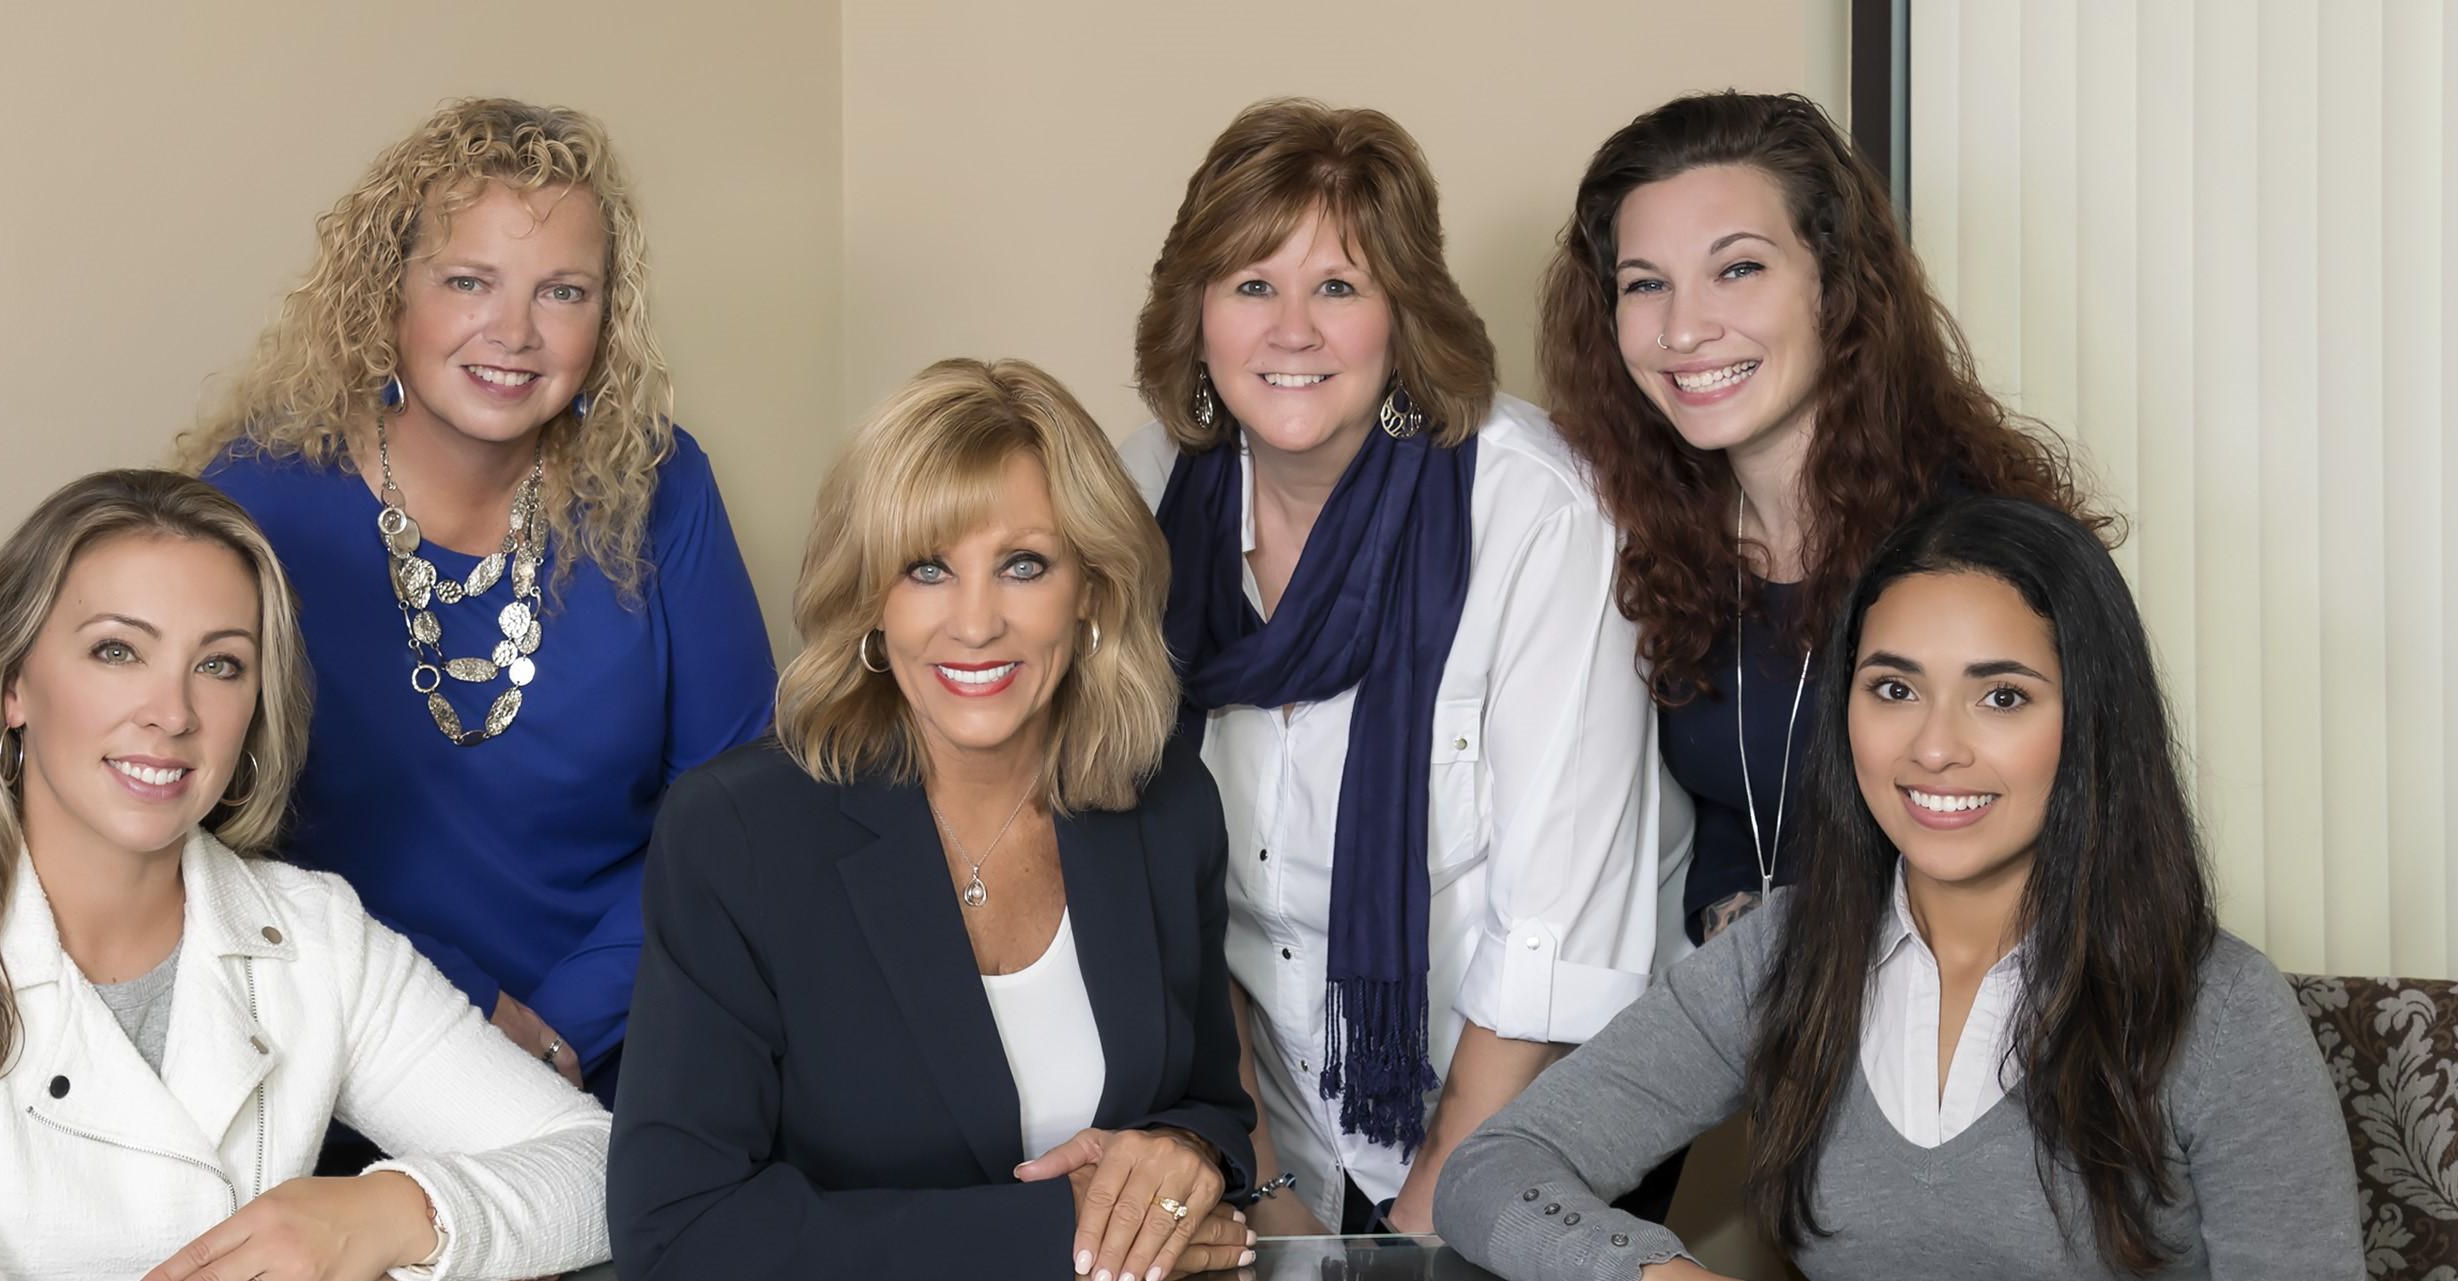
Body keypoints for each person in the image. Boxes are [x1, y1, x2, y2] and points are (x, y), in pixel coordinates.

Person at [1433, 496, 2361, 1281]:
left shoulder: (2224, 1011)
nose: (1934, 746)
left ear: (2088, 721)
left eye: (2001, 696)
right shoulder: (1785, 951)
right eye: (1892, 688)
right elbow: (1492, 1170)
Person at [0, 470, 612, 1279]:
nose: (172, 713)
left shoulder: (319, 935)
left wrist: (386, 1209)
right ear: (13, 685)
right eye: (118, 651)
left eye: (219, 664)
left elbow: (604, 1168)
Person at [1119, 98, 1687, 1236]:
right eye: (1250, 285)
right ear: (1196, 317)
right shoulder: (1146, 508)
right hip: (1266, 1096)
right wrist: (1273, 1200)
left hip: (1530, 1088)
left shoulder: (1534, 511)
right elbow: (1162, 882)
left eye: (1338, 287)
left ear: (1404, 315)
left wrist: (1417, 1236)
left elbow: (1553, 936)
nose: (1292, 331)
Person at [178, 98, 773, 1111]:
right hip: (345, 1054)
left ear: (606, 316)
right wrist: (465, 1013)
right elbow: (215, 836)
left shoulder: (664, 490)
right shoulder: (254, 506)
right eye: (468, 281)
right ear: (388, 296)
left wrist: (565, 1031)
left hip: (643, 1035)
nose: (515, 333)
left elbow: (742, 806)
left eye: (564, 292)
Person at [608, 359, 1257, 1281]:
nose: (977, 622)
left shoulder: (1167, 801)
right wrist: (1055, 1234)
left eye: (1023, 565)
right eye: (928, 569)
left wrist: (1182, 1154)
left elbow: (1206, 1098)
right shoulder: (735, 836)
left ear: (1093, 593)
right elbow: (677, 1230)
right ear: (874, 600)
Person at [1540, 91, 2103, 945]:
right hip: (1735, 1011)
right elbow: (1731, 818)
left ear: (1835, 284)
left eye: (1738, 269)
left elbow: (2065, 857)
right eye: (1645, 283)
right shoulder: (1655, 535)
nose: (1684, 329)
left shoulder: (1978, 550)